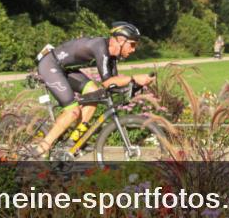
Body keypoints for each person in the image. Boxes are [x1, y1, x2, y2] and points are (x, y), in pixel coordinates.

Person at [31, 21, 153, 157]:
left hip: (64, 69)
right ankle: (42, 147)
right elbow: (108, 82)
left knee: (94, 94)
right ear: (120, 40)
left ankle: (72, 143)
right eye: (132, 44)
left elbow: (113, 84)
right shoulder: (100, 47)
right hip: (50, 65)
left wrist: (135, 85)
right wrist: (134, 78)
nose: (134, 49)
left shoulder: (111, 56)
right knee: (73, 111)